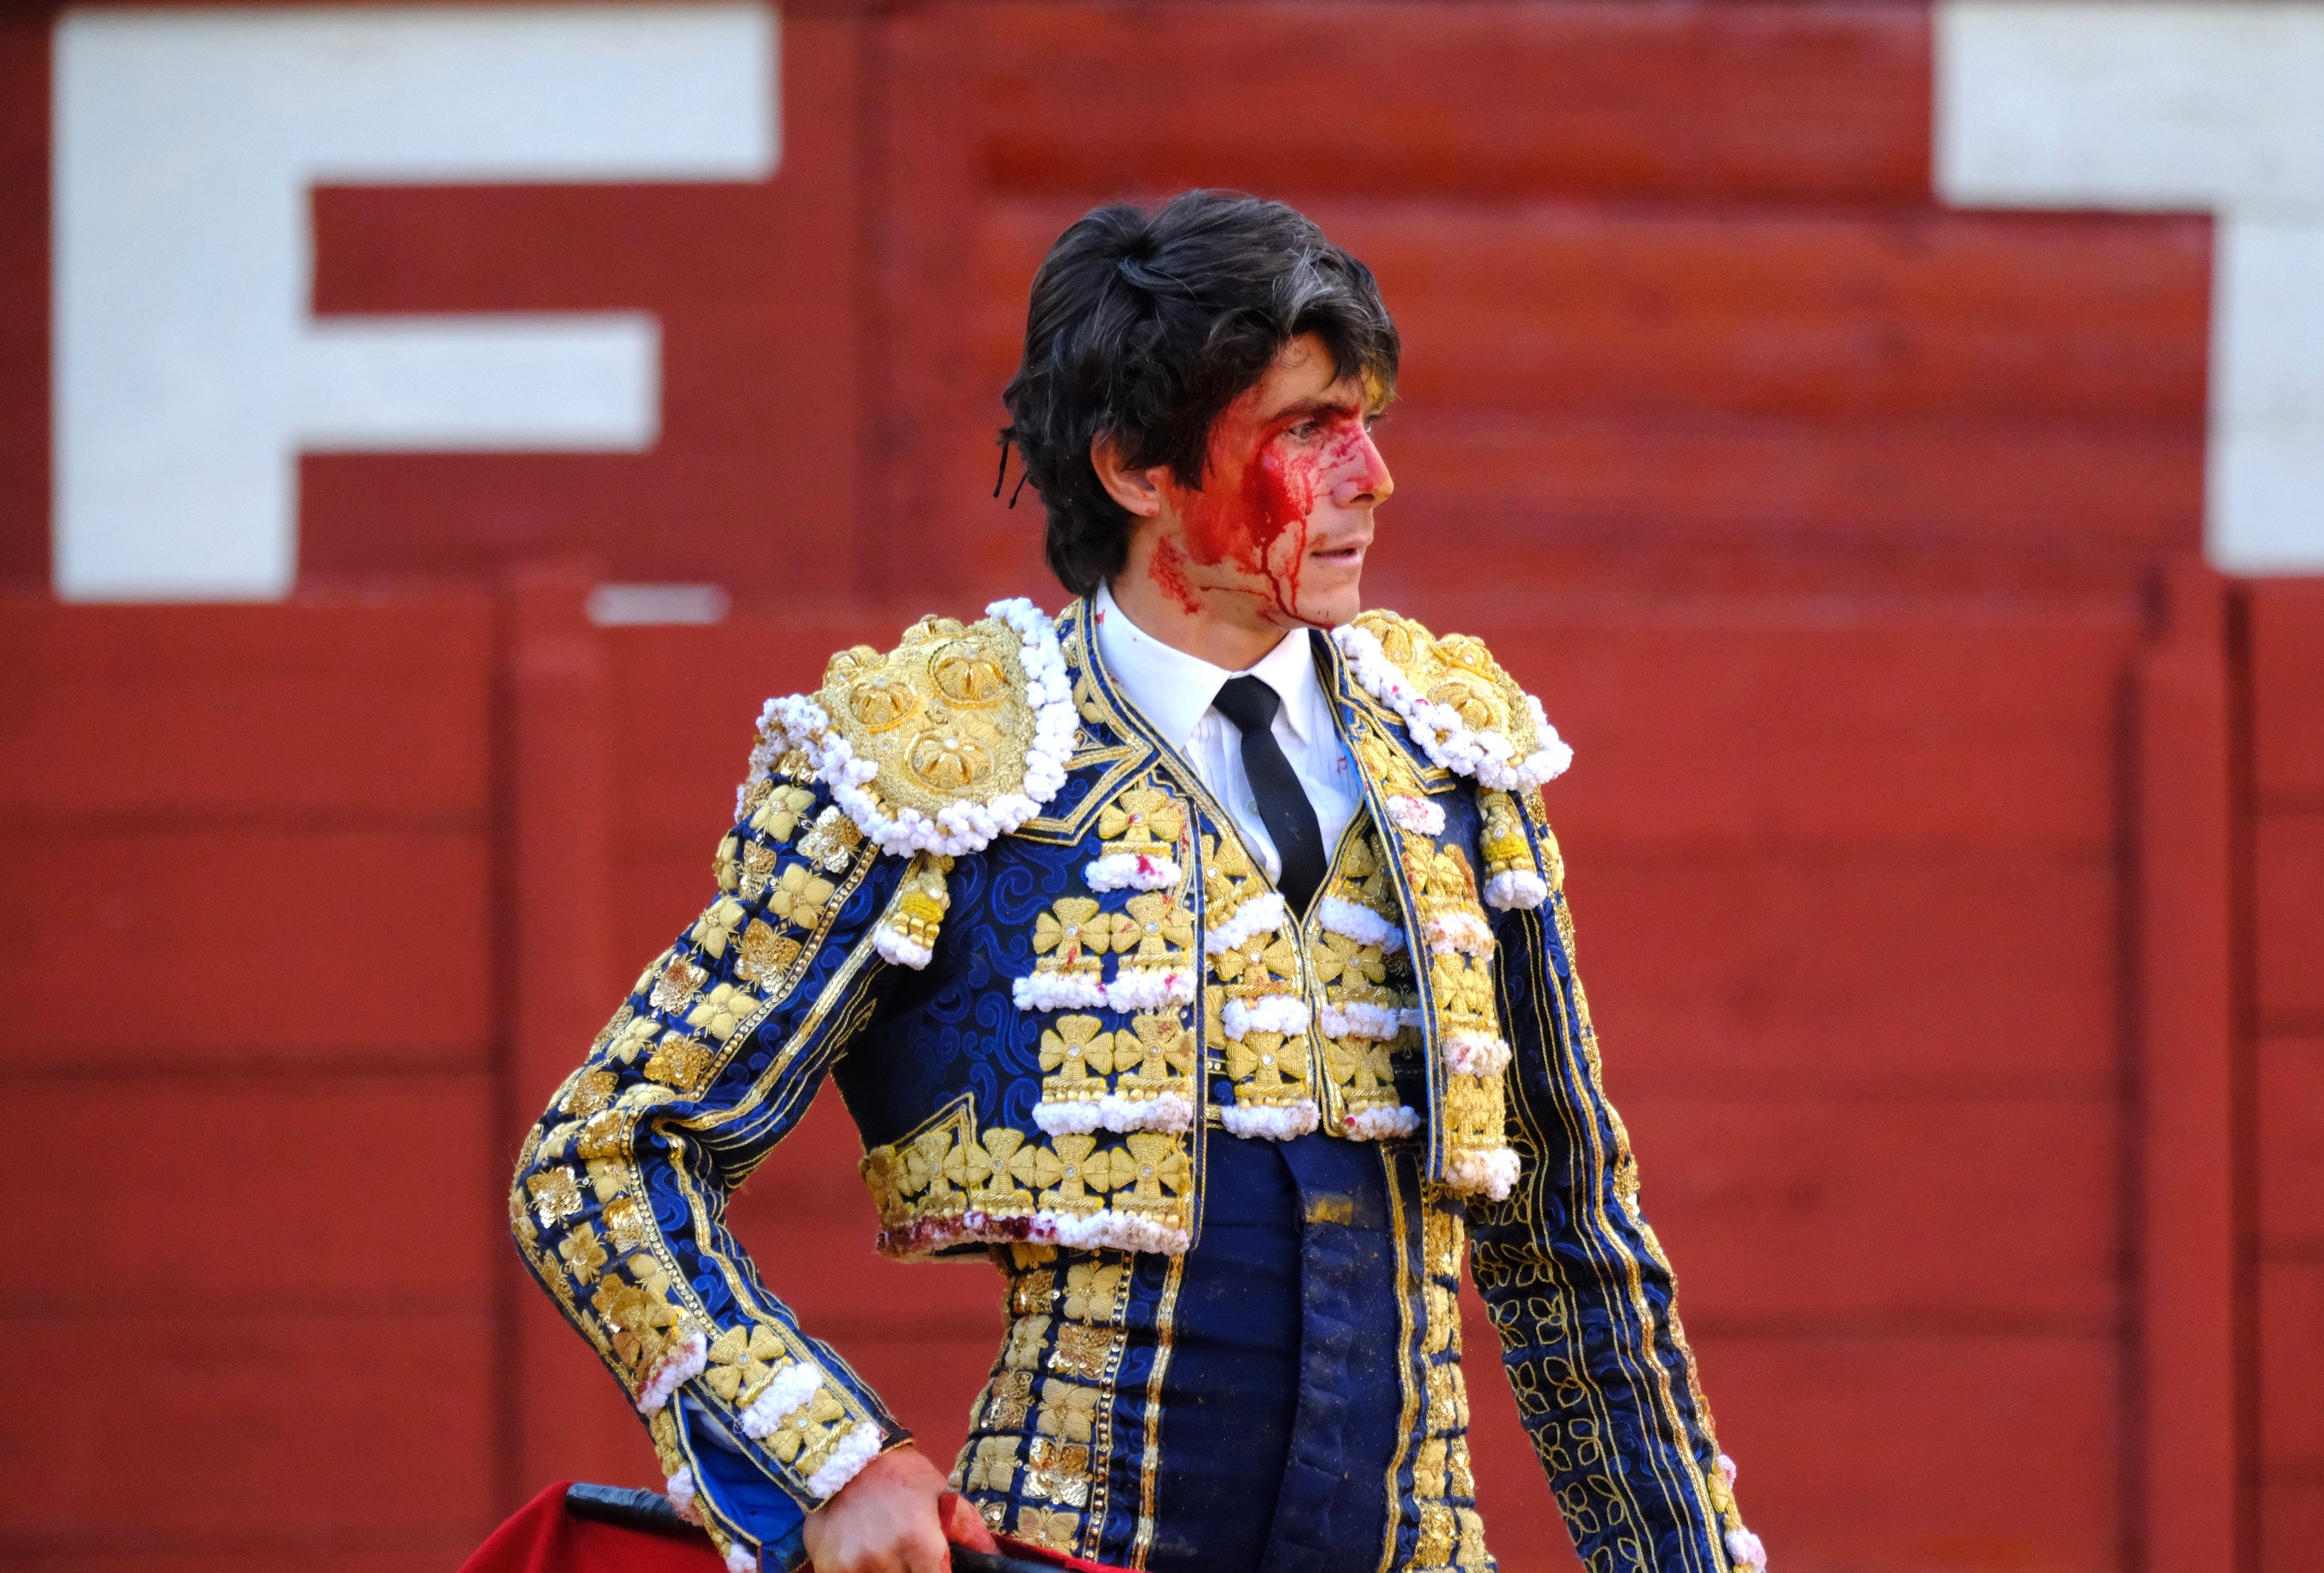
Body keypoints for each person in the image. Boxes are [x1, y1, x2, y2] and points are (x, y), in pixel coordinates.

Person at [510, 190, 1767, 1573]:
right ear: (1134, 470)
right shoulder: (940, 761)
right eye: (1305, 430)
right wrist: (828, 1458)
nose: (1371, 476)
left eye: (1367, 424)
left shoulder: (1454, 761)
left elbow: (1572, 1243)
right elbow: (603, 1157)